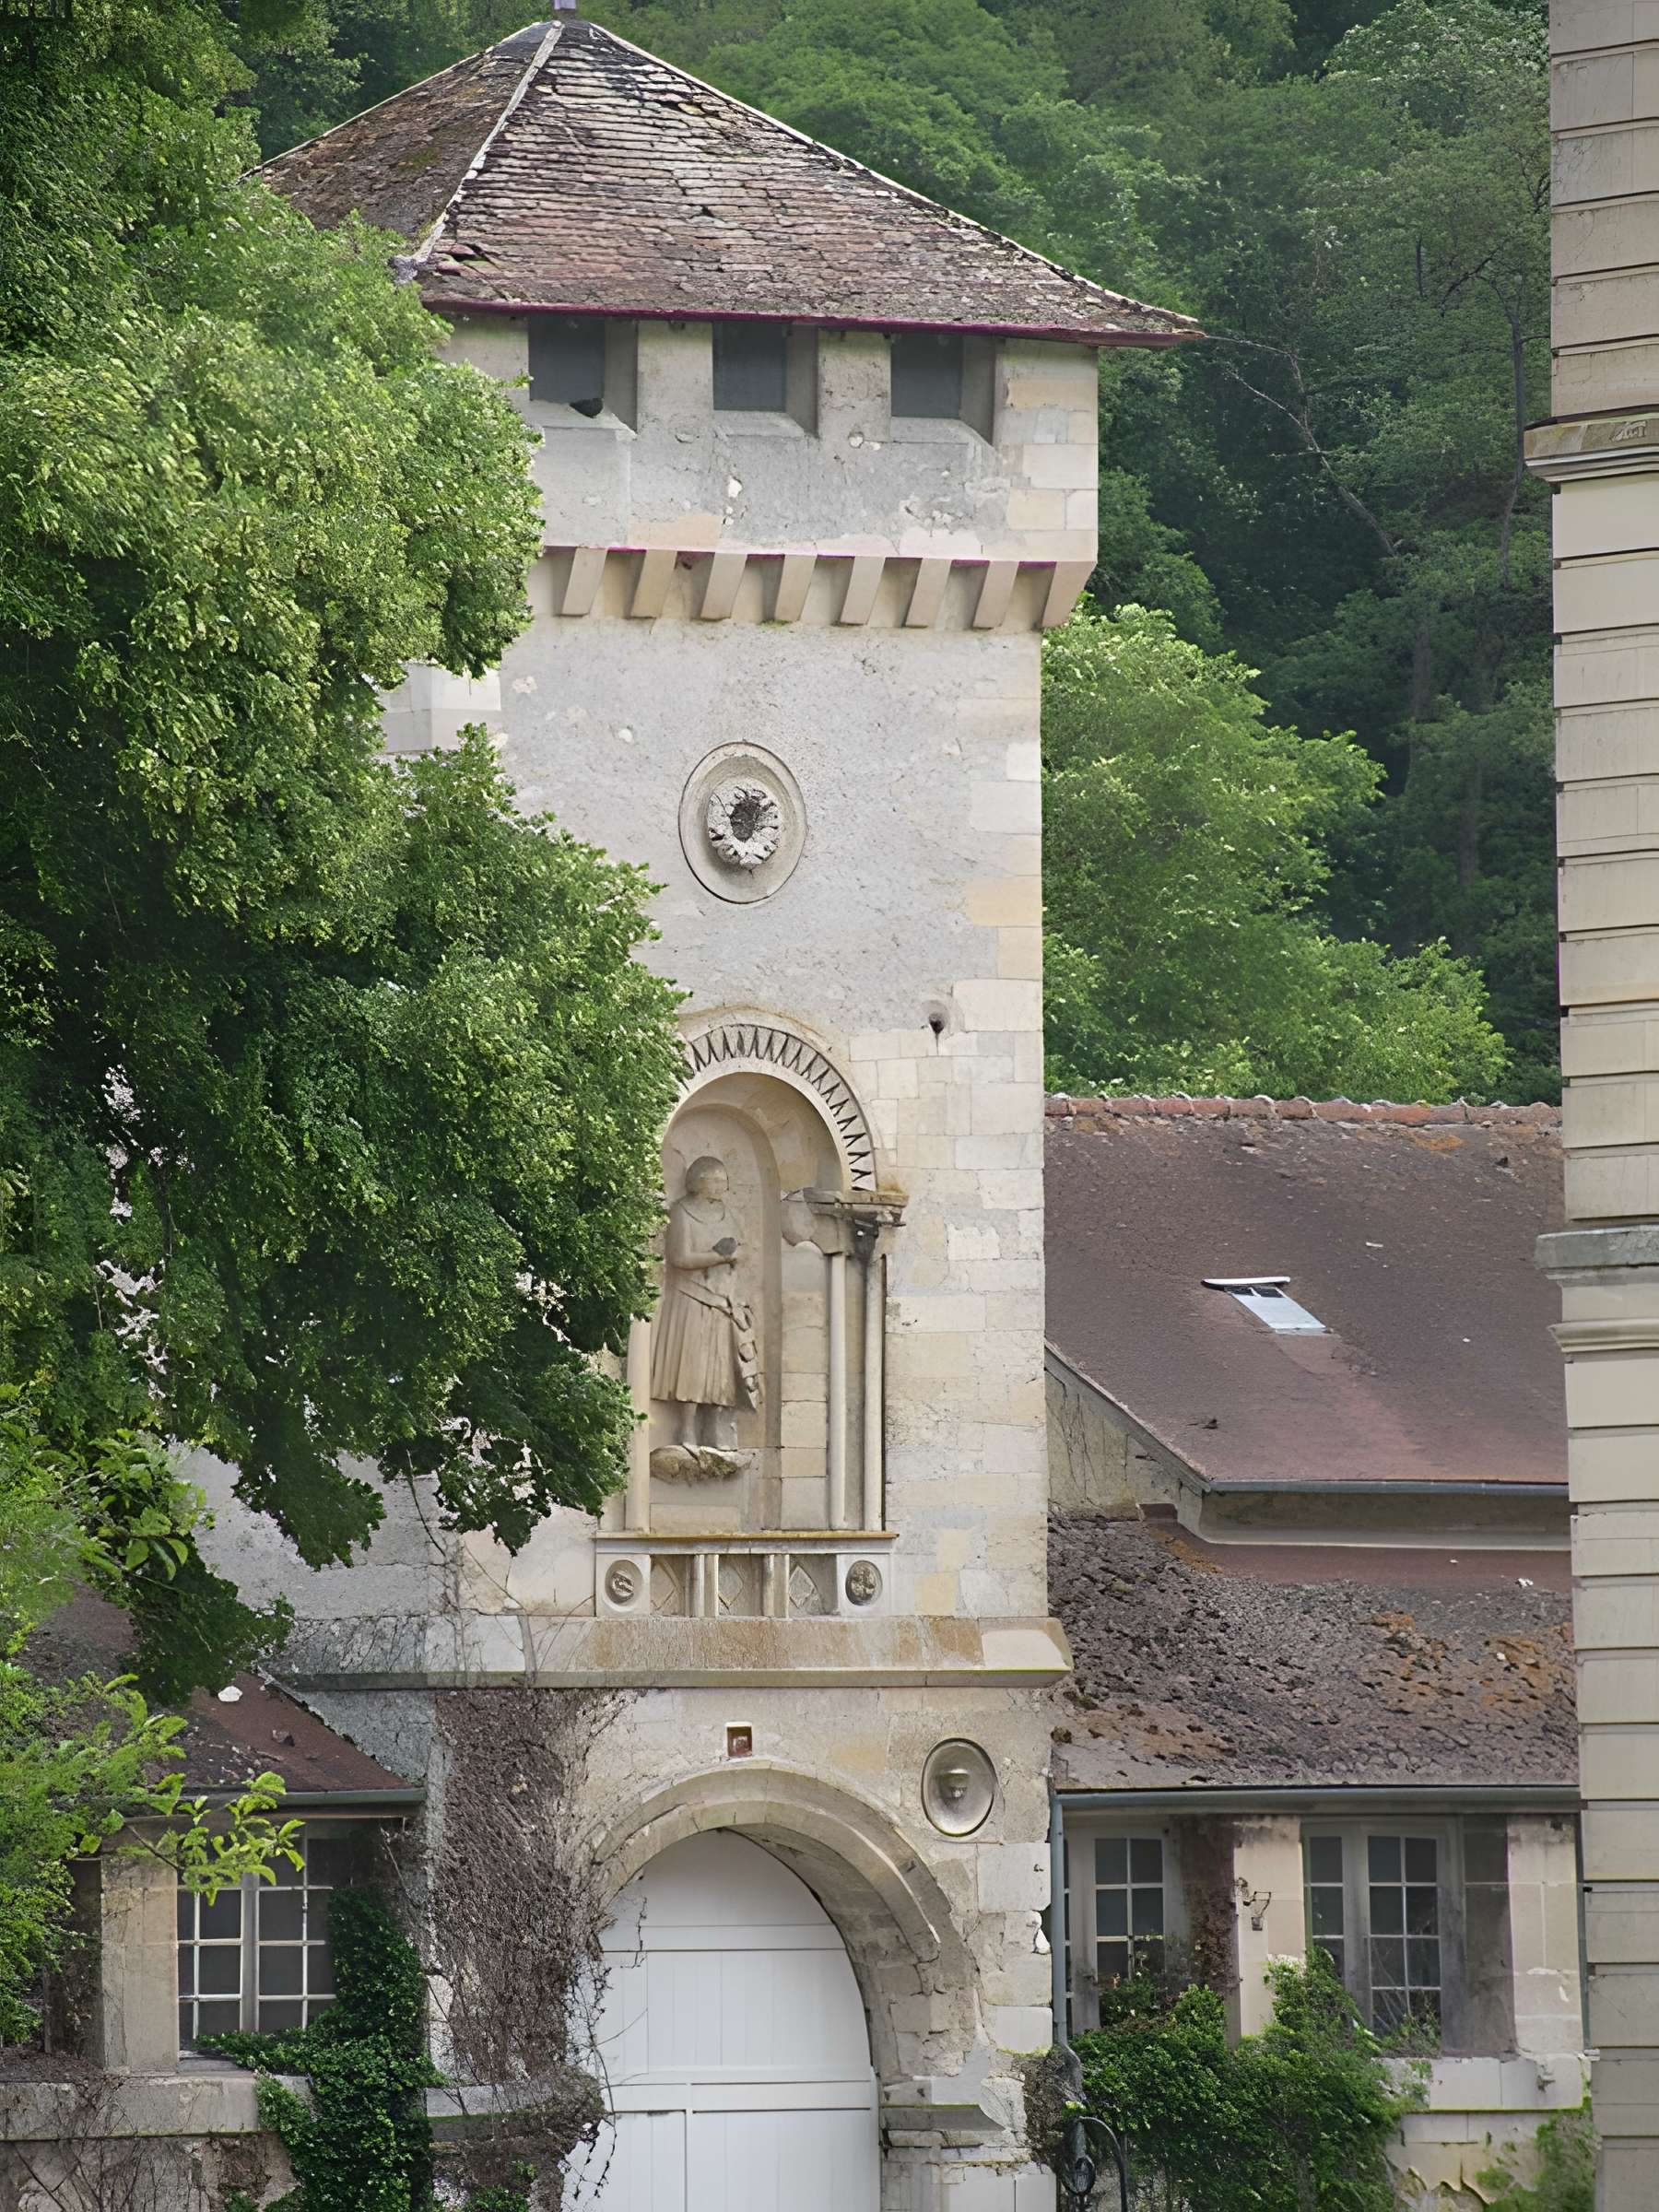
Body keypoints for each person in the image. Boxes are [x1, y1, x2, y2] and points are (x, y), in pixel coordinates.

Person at [651, 1156, 760, 1450]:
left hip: (723, 1300)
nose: (723, 1185)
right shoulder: (681, 1212)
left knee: (721, 1369)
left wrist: (734, 1255)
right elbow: (679, 1257)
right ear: (698, 1182)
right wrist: (718, 1257)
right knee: (692, 1367)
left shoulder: (728, 1214)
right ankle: (686, 1429)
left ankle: (714, 1428)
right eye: (716, 1180)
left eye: (724, 1180)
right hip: (691, 1299)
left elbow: (742, 1248)